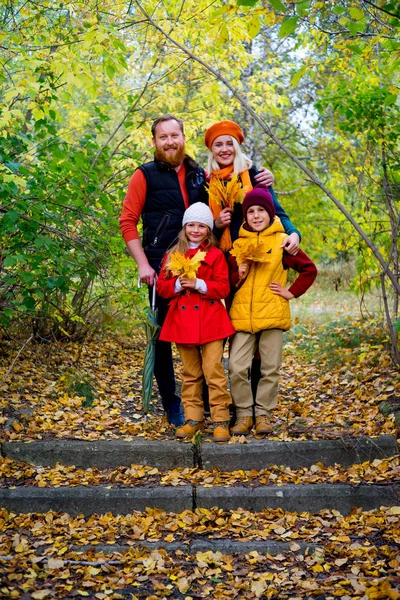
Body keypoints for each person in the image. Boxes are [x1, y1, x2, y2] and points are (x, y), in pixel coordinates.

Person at [119, 114, 274, 425]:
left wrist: (260, 178)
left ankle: (208, 405)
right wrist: (143, 265)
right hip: (162, 268)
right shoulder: (144, 175)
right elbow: (127, 222)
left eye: (174, 135)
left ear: (183, 138)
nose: (169, 142)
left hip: (205, 266)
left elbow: (228, 189)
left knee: (207, 334)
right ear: (154, 142)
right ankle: (172, 404)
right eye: (163, 137)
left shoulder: (199, 175)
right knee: (163, 338)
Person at [228, 186, 317, 436]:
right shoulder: (239, 244)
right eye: (251, 212)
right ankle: (244, 414)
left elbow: (309, 269)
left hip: (274, 315)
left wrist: (291, 292)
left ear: (270, 214)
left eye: (261, 211)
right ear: (245, 216)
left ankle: (263, 415)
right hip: (243, 316)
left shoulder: (282, 242)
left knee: (270, 368)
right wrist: (239, 273)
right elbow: (231, 280)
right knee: (236, 366)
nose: (256, 216)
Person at [156, 203, 235, 443]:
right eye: (191, 225)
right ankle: (193, 419)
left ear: (209, 230)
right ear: (184, 227)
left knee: (214, 371)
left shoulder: (215, 255)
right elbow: (161, 287)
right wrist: (179, 285)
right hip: (182, 322)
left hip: (211, 321)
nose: (196, 230)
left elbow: (223, 286)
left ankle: (221, 419)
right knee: (190, 374)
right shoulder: (172, 255)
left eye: (202, 226)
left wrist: (199, 284)